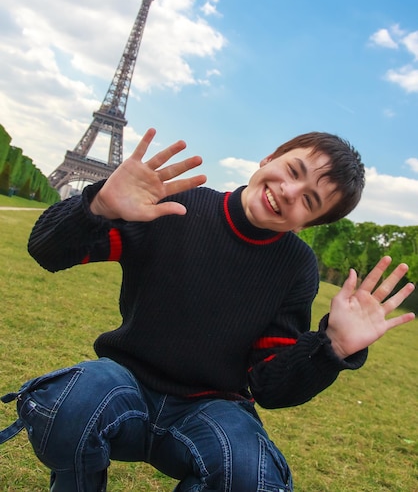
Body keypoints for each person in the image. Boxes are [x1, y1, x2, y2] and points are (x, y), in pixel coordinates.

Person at [0, 127, 415, 492]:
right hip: (124, 385)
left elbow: (270, 386)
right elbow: (47, 251)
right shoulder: (177, 207)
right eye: (292, 172)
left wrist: (333, 348)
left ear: (309, 224)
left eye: (309, 200)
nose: (289, 192)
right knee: (71, 401)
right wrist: (97, 207)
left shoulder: (295, 266)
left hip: (212, 408)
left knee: (252, 476)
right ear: (268, 159)